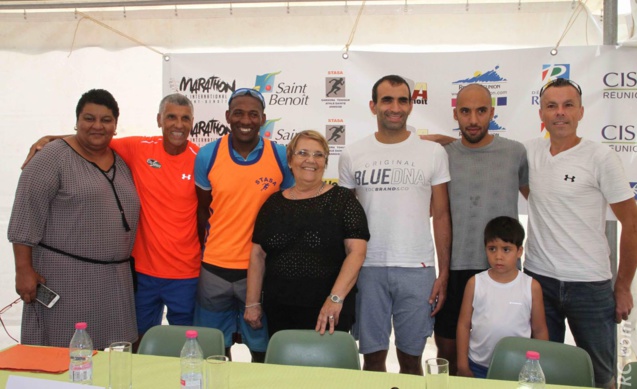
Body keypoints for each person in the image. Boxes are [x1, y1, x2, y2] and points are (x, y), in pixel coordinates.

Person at [21, 94, 201, 345]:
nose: (178, 125)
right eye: (171, 117)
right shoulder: (138, 147)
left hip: (186, 272)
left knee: (186, 342)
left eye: (185, 119)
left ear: (193, 122)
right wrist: (51, 139)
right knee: (137, 341)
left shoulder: (202, 159)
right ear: (159, 119)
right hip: (141, 271)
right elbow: (92, 138)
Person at [525, 78, 637, 389]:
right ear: (541, 114)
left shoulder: (600, 158)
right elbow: (531, 192)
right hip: (539, 281)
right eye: (552, 106)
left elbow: (632, 224)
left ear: (581, 112)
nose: (560, 113)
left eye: (567, 105)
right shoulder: (529, 153)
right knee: (543, 375)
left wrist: (624, 286)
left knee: (601, 378)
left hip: (590, 285)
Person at [8, 89, 140, 349]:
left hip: (115, 282)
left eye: (106, 120)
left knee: (111, 356)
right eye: (89, 118)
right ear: (76, 121)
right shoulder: (51, 158)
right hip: (65, 278)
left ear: (115, 125)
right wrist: (23, 270)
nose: (97, 126)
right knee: (63, 353)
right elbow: (25, 215)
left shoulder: (122, 159)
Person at [338, 75, 451, 375]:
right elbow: (346, 220)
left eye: (402, 100)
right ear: (374, 105)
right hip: (367, 268)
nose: (395, 107)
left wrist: (444, 273)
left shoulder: (433, 153)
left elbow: (441, 216)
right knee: (372, 360)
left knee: (412, 360)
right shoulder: (352, 154)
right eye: (387, 100)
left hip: (418, 268)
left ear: (411, 106)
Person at [421, 83, 529, 375]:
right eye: (465, 112)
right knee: (449, 352)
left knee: (502, 352)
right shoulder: (443, 154)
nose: (473, 120)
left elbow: (539, 201)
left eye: (481, 111)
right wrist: (444, 140)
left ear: (492, 112)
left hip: (502, 270)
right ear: (455, 114)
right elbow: (412, 141)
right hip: (455, 269)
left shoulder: (515, 153)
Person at [194, 88, 294, 362]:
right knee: (214, 350)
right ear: (227, 116)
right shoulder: (207, 155)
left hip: (261, 271)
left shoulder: (281, 156)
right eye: (238, 113)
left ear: (263, 119)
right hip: (215, 269)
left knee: (262, 351)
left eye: (253, 114)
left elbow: (291, 207)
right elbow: (203, 210)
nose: (245, 120)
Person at [244, 130, 369, 337]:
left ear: (325, 162)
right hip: (279, 312)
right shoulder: (273, 204)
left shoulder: (343, 201)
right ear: (290, 160)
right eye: (302, 153)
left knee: (327, 369)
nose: (311, 160)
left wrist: (334, 299)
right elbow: (258, 255)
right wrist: (252, 302)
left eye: (319, 155)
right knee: (284, 368)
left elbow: (356, 253)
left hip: (328, 313)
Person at [456, 216, 548, 378]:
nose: (498, 256)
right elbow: (463, 325)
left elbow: (539, 330)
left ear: (519, 251)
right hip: (477, 366)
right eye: (492, 249)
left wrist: (537, 367)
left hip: (517, 368)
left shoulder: (531, 287)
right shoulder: (475, 283)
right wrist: (463, 365)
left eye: (506, 249)